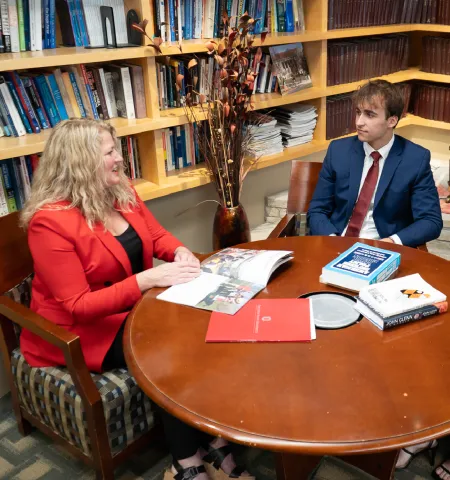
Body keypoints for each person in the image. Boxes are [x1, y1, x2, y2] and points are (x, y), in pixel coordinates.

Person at [19, 118, 254, 480]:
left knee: (205, 329)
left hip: (133, 309)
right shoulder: (49, 223)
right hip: (83, 330)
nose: (120, 159)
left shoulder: (119, 191)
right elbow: (77, 306)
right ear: (81, 162)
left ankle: (209, 436)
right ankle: (186, 460)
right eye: (110, 151)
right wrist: (146, 280)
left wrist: (180, 253)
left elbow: (155, 235)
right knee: (169, 354)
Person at [307, 79, 442, 247]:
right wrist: (332, 240)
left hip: (383, 246)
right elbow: (317, 210)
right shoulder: (338, 151)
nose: (359, 122)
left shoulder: (415, 159)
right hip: (336, 241)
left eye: (369, 115)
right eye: (358, 112)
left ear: (391, 121)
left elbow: (431, 221)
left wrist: (392, 242)